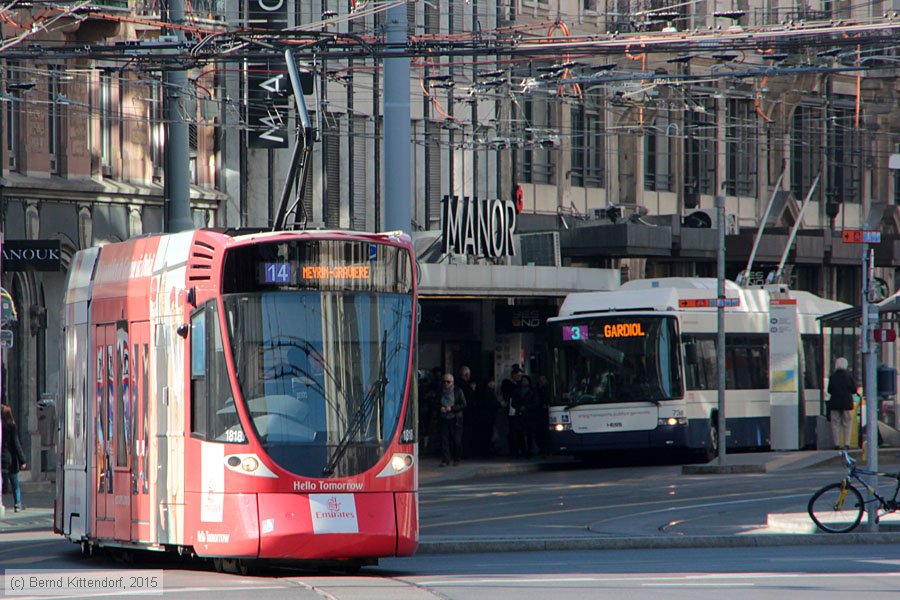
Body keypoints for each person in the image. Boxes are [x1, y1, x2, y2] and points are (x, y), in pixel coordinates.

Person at [1, 404, 28, 512]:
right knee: (15, 483)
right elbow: (16, 444)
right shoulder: (12, 427)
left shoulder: (1, 427)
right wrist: (23, 460)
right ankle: (17, 504)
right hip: (11, 460)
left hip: (1, 458)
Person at [827, 357, 857, 450]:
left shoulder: (832, 377)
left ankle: (836, 444)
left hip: (835, 403)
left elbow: (829, 390)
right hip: (847, 404)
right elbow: (854, 390)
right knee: (847, 424)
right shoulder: (849, 377)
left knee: (835, 424)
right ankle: (846, 444)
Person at [438, 373, 466, 466]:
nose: (446, 384)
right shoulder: (440, 391)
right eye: (444, 382)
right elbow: (435, 402)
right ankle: (446, 460)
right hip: (444, 418)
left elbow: (463, 404)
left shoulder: (458, 391)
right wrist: (440, 408)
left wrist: (452, 408)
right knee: (444, 440)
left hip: (455, 419)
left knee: (456, 440)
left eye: (448, 382)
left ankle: (457, 458)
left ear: (452, 382)